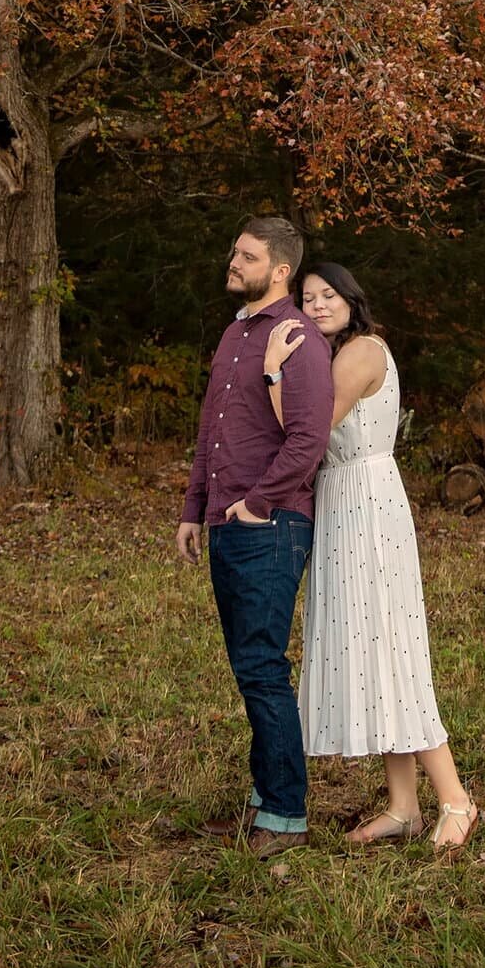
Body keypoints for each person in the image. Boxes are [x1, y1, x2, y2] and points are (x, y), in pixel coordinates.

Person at [266, 262, 479, 854]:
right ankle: (404, 808)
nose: (315, 306)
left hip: (366, 503)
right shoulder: (335, 356)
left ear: (351, 299)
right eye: (306, 298)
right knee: (374, 654)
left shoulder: (361, 351)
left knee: (393, 653)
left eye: (327, 295)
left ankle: (456, 800)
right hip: (343, 504)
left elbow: (306, 431)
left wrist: (269, 373)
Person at [175, 215, 333, 858]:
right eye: (232, 250)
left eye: (245, 255)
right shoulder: (234, 335)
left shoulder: (298, 338)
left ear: (280, 271)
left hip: (271, 525)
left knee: (264, 667)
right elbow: (212, 429)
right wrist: (196, 507)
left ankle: (286, 815)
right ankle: (266, 799)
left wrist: (254, 505)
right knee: (250, 668)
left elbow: (307, 442)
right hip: (225, 522)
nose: (231, 261)